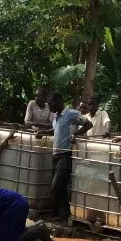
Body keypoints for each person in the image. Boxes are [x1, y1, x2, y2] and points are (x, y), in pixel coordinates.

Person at [36, 92, 91, 220]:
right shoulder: (56, 116)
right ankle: (62, 215)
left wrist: (75, 134)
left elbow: (88, 124)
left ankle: (59, 213)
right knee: (59, 186)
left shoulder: (71, 114)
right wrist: (43, 132)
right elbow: (55, 130)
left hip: (65, 154)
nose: (50, 107)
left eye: (51, 104)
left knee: (57, 185)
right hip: (56, 155)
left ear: (59, 102)